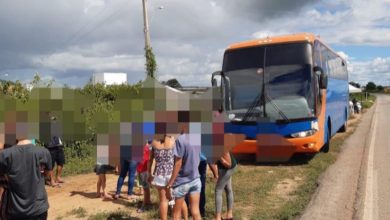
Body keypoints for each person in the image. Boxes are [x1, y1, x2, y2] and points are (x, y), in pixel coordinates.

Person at [0, 138, 52, 219]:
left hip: (15, 209)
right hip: (38, 208)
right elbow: (47, 174)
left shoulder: (4, 154)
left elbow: (3, 177)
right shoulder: (43, 152)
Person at [147, 135, 188, 220]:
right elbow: (179, 160)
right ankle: (186, 218)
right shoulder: (173, 141)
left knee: (163, 200)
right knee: (180, 199)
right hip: (173, 174)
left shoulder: (153, 143)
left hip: (159, 174)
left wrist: (149, 173)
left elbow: (150, 160)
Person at [167, 134, 202, 220]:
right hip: (195, 179)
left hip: (182, 181)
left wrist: (170, 182)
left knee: (176, 214)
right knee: (196, 212)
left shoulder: (180, 140)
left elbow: (178, 163)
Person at [213, 151, 237, 220]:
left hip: (228, 168)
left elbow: (228, 165)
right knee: (228, 188)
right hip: (225, 168)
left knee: (218, 190)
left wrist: (220, 158)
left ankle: (218, 217)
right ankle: (229, 215)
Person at [136, 140, 152, 213]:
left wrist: (149, 172)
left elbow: (148, 161)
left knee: (145, 188)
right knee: (146, 188)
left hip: (144, 171)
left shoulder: (146, 148)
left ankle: (144, 205)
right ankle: (148, 201)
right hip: (140, 170)